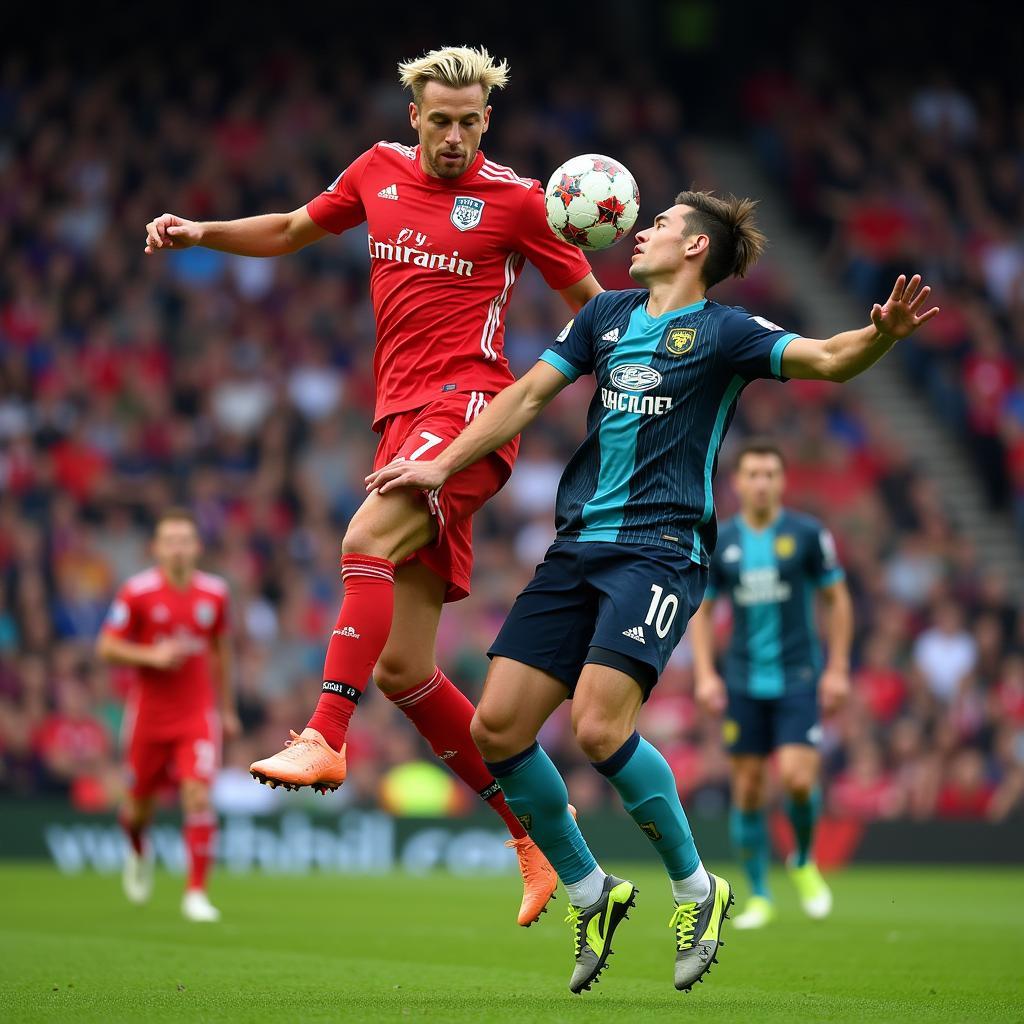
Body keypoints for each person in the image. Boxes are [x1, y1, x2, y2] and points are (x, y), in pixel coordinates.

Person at [366, 190, 939, 993]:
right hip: (576, 550)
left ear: (697, 248)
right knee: (496, 729)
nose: (643, 231)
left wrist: (879, 337)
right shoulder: (603, 318)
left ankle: (697, 889)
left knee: (600, 729)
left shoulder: (726, 331)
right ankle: (590, 888)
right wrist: (439, 462)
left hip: (660, 551)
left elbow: (830, 359)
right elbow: (527, 395)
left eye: (663, 223)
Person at [143, 45, 602, 926]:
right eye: (442, 121)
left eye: (472, 122)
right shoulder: (376, 173)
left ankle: (323, 733)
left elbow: (594, 306)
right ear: (414, 119)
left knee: (364, 540)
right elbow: (286, 230)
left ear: (488, 121)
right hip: (400, 421)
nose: (457, 137)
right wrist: (200, 232)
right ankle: (535, 832)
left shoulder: (518, 201)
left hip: (466, 413)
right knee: (403, 668)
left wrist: (582, 386)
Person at [688, 439, 854, 930]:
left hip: (799, 676)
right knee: (749, 789)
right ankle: (759, 894)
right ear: (737, 482)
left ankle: (802, 859)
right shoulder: (723, 540)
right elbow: (703, 610)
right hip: (741, 681)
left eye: (770, 475)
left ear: (782, 481)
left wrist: (839, 667)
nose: (761, 483)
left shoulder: (806, 534)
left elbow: (837, 600)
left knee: (800, 780)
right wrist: (704, 674)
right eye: (753, 474)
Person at [97, 509, 240, 922]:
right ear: (156, 548)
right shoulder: (137, 592)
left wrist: (226, 708)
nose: (178, 547)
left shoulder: (215, 593)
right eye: (170, 540)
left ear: (197, 547)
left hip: (196, 714)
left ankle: (195, 893)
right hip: (148, 717)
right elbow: (106, 647)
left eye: (185, 540)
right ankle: (139, 851)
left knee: (197, 794)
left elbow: (221, 651)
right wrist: (150, 655)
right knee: (138, 809)